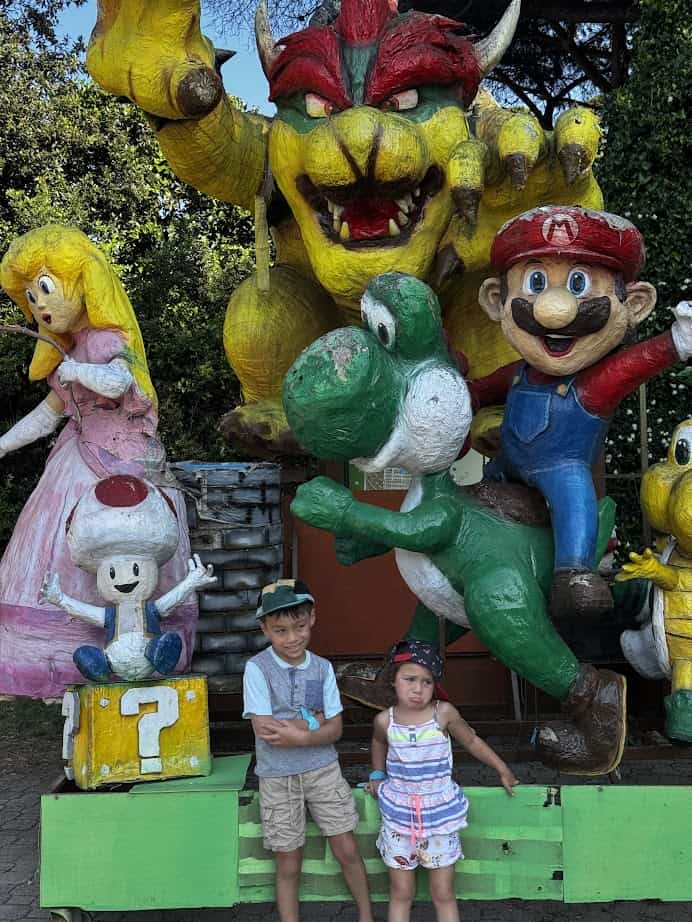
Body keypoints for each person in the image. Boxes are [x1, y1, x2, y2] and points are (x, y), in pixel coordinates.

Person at [0, 225, 196, 699]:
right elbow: (48, 416)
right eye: (31, 298)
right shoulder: (66, 352)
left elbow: (117, 382)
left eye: (45, 288)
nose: (40, 306)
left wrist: (79, 370)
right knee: (48, 541)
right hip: (77, 455)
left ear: (85, 281)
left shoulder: (108, 339)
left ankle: (150, 646)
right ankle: (51, 653)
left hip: (128, 459)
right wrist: (3, 444)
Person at [242, 578, 374, 922]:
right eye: (280, 631)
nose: (292, 638)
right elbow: (266, 730)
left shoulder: (322, 668)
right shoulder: (257, 669)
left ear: (312, 618)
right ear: (264, 628)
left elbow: (336, 729)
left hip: (323, 770)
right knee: (288, 861)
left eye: (299, 627)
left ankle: (366, 915)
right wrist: (313, 723)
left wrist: (300, 734)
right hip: (277, 777)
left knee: (347, 848)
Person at [365, 640, 518, 922]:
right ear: (393, 679)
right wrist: (377, 774)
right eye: (410, 679)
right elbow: (378, 743)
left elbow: (471, 741)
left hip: (440, 817)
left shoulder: (443, 713)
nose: (418, 689)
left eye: (426, 682)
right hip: (399, 817)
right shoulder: (385, 721)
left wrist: (501, 768)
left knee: (443, 892)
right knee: (401, 892)